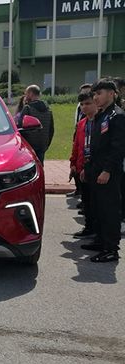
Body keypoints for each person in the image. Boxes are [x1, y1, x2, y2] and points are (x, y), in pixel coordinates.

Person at [80, 80, 125, 262]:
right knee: (97, 209)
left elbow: (118, 148)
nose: (96, 97)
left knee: (109, 211)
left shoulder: (117, 116)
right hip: (94, 170)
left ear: (111, 94)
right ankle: (100, 240)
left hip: (107, 173)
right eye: (95, 94)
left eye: (99, 94)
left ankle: (111, 249)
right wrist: (87, 167)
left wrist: (107, 170)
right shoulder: (102, 115)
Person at [70, 92, 97, 239]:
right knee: (86, 201)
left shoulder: (101, 122)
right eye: (82, 104)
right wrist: (73, 163)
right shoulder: (82, 124)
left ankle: (99, 231)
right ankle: (89, 227)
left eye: (88, 103)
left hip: (96, 169)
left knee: (96, 202)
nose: (84, 107)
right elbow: (77, 145)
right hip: (82, 168)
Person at [18, 85, 55, 163]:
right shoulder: (48, 110)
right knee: (40, 167)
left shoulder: (28, 108)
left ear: (31, 94)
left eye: (26, 93)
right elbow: (51, 130)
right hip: (43, 144)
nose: (25, 96)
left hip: (30, 146)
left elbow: (20, 127)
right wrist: (46, 144)